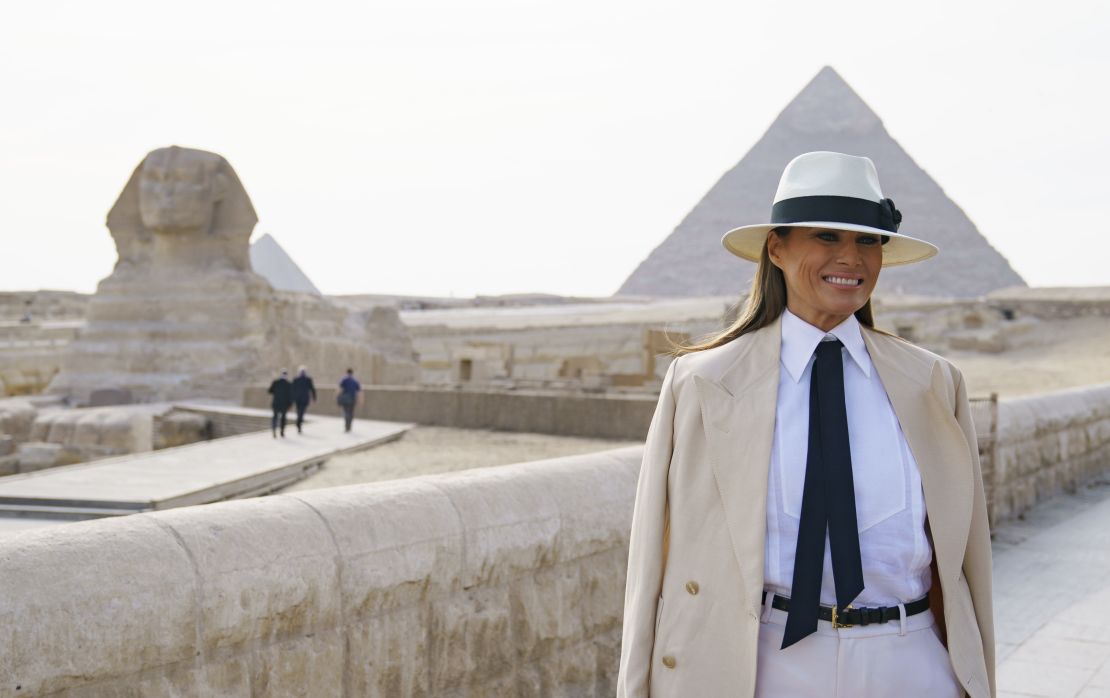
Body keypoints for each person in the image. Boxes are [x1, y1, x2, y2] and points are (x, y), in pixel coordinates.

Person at [617, 152, 994, 697]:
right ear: (777, 247)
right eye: (827, 237)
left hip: (911, 661)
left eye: (868, 240)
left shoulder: (935, 383)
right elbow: (650, 564)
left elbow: (969, 564)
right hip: (763, 665)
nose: (851, 258)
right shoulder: (701, 384)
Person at [267, 369, 292, 438]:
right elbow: (291, 396)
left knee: (275, 417)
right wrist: (290, 404)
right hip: (284, 404)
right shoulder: (288, 384)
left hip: (276, 403)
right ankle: (282, 431)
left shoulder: (276, 382)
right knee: (283, 418)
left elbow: (269, 391)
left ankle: (274, 430)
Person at [291, 365, 317, 434]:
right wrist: (314, 398)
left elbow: (312, 389)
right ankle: (299, 423)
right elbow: (312, 389)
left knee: (300, 412)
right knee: (301, 412)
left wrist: (314, 397)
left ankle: (298, 423)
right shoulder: (305, 379)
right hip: (303, 399)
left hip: (300, 399)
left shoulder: (299, 379)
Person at [337, 368, 361, 432]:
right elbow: (358, 392)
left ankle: (346, 426)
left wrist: (337, 396)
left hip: (346, 399)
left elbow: (340, 389)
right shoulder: (355, 381)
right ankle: (349, 426)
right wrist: (359, 400)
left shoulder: (344, 380)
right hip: (353, 399)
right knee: (351, 412)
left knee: (346, 412)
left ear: (346, 372)